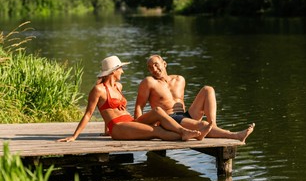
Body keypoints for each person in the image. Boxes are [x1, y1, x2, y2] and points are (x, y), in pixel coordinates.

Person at [58, 55, 212, 143]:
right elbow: (89, 113)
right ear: (113, 71)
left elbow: (110, 109)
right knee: (156, 131)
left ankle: (185, 132)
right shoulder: (98, 90)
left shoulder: (118, 87)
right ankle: (185, 133)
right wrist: (74, 136)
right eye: (120, 69)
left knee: (158, 110)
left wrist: (104, 131)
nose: (122, 71)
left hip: (131, 122)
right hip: (118, 128)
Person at [134, 54, 255, 143]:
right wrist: (138, 127)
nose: (154, 69)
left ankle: (214, 126)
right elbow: (140, 105)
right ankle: (235, 135)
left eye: (156, 64)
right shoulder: (149, 82)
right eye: (150, 67)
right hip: (169, 119)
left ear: (164, 64)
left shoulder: (180, 79)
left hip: (185, 115)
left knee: (208, 89)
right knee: (202, 124)